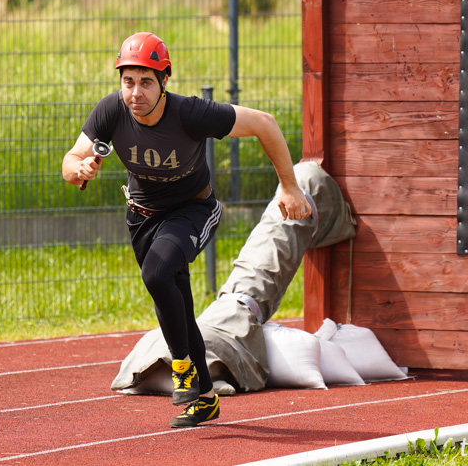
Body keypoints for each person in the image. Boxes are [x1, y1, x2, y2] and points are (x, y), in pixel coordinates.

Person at [62, 32, 311, 428]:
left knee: (158, 273)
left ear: (165, 80)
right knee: (174, 298)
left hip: (192, 210)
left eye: (146, 81)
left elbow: (265, 123)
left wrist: (289, 185)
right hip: (142, 217)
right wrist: (77, 169)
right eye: (128, 81)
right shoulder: (110, 111)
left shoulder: (191, 114)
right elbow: (72, 158)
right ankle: (207, 398)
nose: (136, 92)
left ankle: (183, 368)